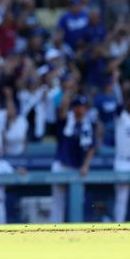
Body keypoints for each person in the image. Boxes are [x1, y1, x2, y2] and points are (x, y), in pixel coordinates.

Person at [50, 94, 95, 223]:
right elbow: (62, 112)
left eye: (83, 107)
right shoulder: (66, 120)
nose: (82, 109)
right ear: (74, 108)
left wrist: (86, 165)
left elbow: (92, 147)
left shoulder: (88, 124)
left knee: (78, 201)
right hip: (61, 165)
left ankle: (77, 230)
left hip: (77, 167)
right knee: (58, 201)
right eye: (78, 107)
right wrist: (67, 92)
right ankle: (54, 230)